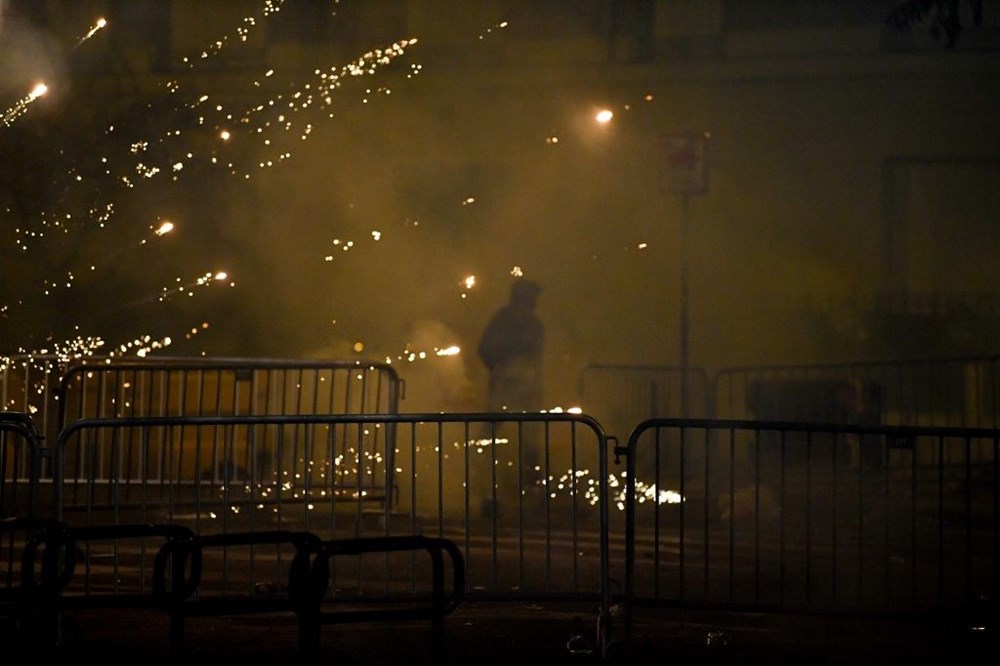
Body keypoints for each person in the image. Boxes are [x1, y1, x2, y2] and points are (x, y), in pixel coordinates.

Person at [477, 278, 544, 413]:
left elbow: (536, 356)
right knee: (496, 424)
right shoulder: (502, 320)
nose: (535, 301)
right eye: (532, 296)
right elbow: (485, 348)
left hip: (527, 388)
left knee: (526, 427)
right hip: (503, 386)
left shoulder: (534, 323)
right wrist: (501, 368)